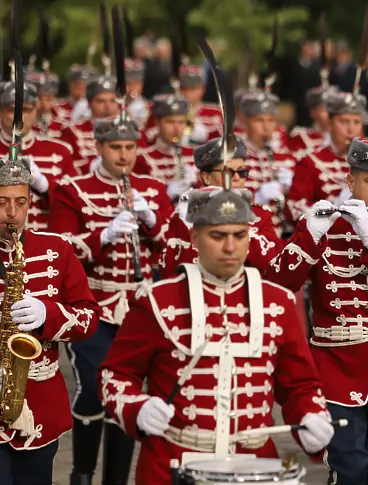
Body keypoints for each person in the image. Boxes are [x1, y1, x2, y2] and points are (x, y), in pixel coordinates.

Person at [98, 188, 334, 484]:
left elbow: (300, 385)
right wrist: (137, 407)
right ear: (195, 238)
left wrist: (311, 416)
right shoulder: (158, 300)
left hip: (257, 468)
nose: (230, 248)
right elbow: (115, 374)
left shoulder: (278, 302)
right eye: (218, 236)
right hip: (172, 463)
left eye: (239, 235)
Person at [268, 138, 368, 485]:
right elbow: (278, 284)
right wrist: (308, 235)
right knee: (349, 467)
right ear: (350, 181)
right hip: (338, 368)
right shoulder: (323, 228)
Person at [49, 107, 173, 485]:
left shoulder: (152, 188)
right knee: (93, 388)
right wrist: (103, 234)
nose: (124, 155)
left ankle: (116, 480)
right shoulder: (74, 189)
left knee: (129, 393)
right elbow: (61, 249)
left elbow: (175, 246)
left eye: (130, 147)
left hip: (138, 308)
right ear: (98, 146)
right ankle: (83, 473)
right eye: (115, 147)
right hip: (94, 304)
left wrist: (154, 224)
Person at [0, 124, 99, 485]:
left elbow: (88, 318)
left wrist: (48, 314)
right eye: (2, 201)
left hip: (41, 403)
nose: (13, 212)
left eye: (21, 201)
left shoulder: (56, 249)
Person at [157, 135, 281, 278]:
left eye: (242, 172)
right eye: (227, 172)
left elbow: (273, 264)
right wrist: (188, 225)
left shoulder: (260, 215)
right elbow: (168, 270)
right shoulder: (185, 215)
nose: (236, 178)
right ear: (206, 177)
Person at [0, 81, 75, 232]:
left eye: (26, 109)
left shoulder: (60, 151)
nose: (19, 116)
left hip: (44, 244)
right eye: (12, 109)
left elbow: (74, 203)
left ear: (36, 111)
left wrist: (46, 186)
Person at [286, 90, 365, 223]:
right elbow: (294, 209)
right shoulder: (310, 161)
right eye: (344, 122)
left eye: (356, 122)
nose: (351, 130)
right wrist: (331, 210)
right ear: (330, 122)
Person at [238, 90, 296, 236]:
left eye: (270, 121)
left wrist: (291, 191)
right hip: (248, 234)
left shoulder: (287, 158)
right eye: (259, 120)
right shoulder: (235, 159)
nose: (266, 127)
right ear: (246, 122)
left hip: (280, 235)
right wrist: (257, 198)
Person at [135, 94, 196, 201]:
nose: (177, 129)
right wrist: (167, 194)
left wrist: (197, 184)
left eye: (181, 122)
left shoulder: (195, 154)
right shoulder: (143, 157)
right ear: (157, 122)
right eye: (170, 122)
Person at [60, 75, 120, 174]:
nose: (108, 107)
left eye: (113, 101)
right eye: (101, 101)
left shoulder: (131, 131)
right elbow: (68, 167)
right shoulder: (72, 131)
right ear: (89, 103)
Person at [177, 62, 222, 145]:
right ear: (179, 89)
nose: (188, 93)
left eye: (193, 88)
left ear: (203, 89)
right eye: (185, 88)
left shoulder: (216, 112)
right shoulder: (171, 112)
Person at [288, 85, 334, 157]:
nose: (329, 115)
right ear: (312, 112)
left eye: (333, 109)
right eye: (324, 110)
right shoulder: (301, 137)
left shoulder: (346, 139)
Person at [25, 70, 65, 140]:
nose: (43, 103)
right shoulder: (21, 126)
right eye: (38, 98)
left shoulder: (63, 128)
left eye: (48, 99)